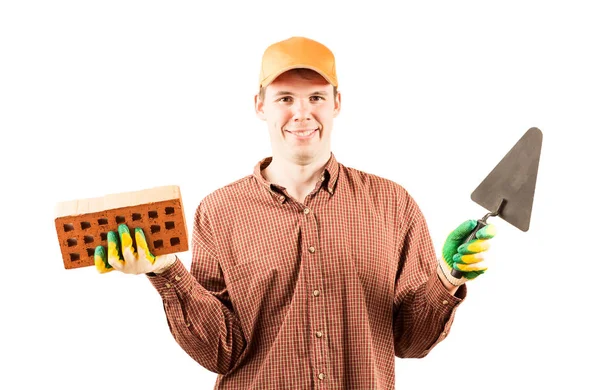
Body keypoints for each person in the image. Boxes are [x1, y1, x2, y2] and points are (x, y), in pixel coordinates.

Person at [94, 36, 496, 389]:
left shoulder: (392, 204)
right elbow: (221, 352)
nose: (301, 113)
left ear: (337, 103)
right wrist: (165, 272)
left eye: (316, 97)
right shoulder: (219, 211)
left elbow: (410, 341)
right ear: (260, 106)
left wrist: (447, 278)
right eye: (285, 98)